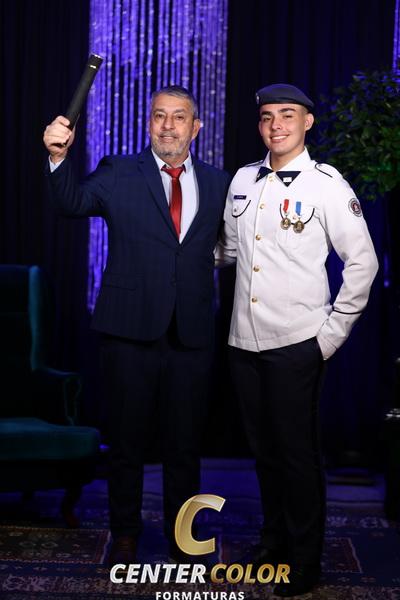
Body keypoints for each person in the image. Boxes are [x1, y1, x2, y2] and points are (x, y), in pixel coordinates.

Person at [43, 85, 231, 566]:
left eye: (179, 117)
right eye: (159, 116)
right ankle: (124, 535)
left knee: (185, 448)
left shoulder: (219, 183)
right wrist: (58, 157)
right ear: (149, 123)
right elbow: (71, 202)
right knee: (127, 444)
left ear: (196, 127)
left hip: (191, 333)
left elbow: (229, 246)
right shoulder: (119, 171)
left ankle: (182, 540)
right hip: (128, 330)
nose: (168, 126)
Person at [217, 83, 378, 597]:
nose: (276, 125)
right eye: (267, 116)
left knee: (296, 455)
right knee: (263, 453)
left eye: (287, 115)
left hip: (297, 343)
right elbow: (228, 251)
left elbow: (363, 263)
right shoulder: (244, 179)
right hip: (243, 341)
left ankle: (305, 560)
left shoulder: (327, 184)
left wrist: (329, 337)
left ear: (307, 122)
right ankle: (273, 543)